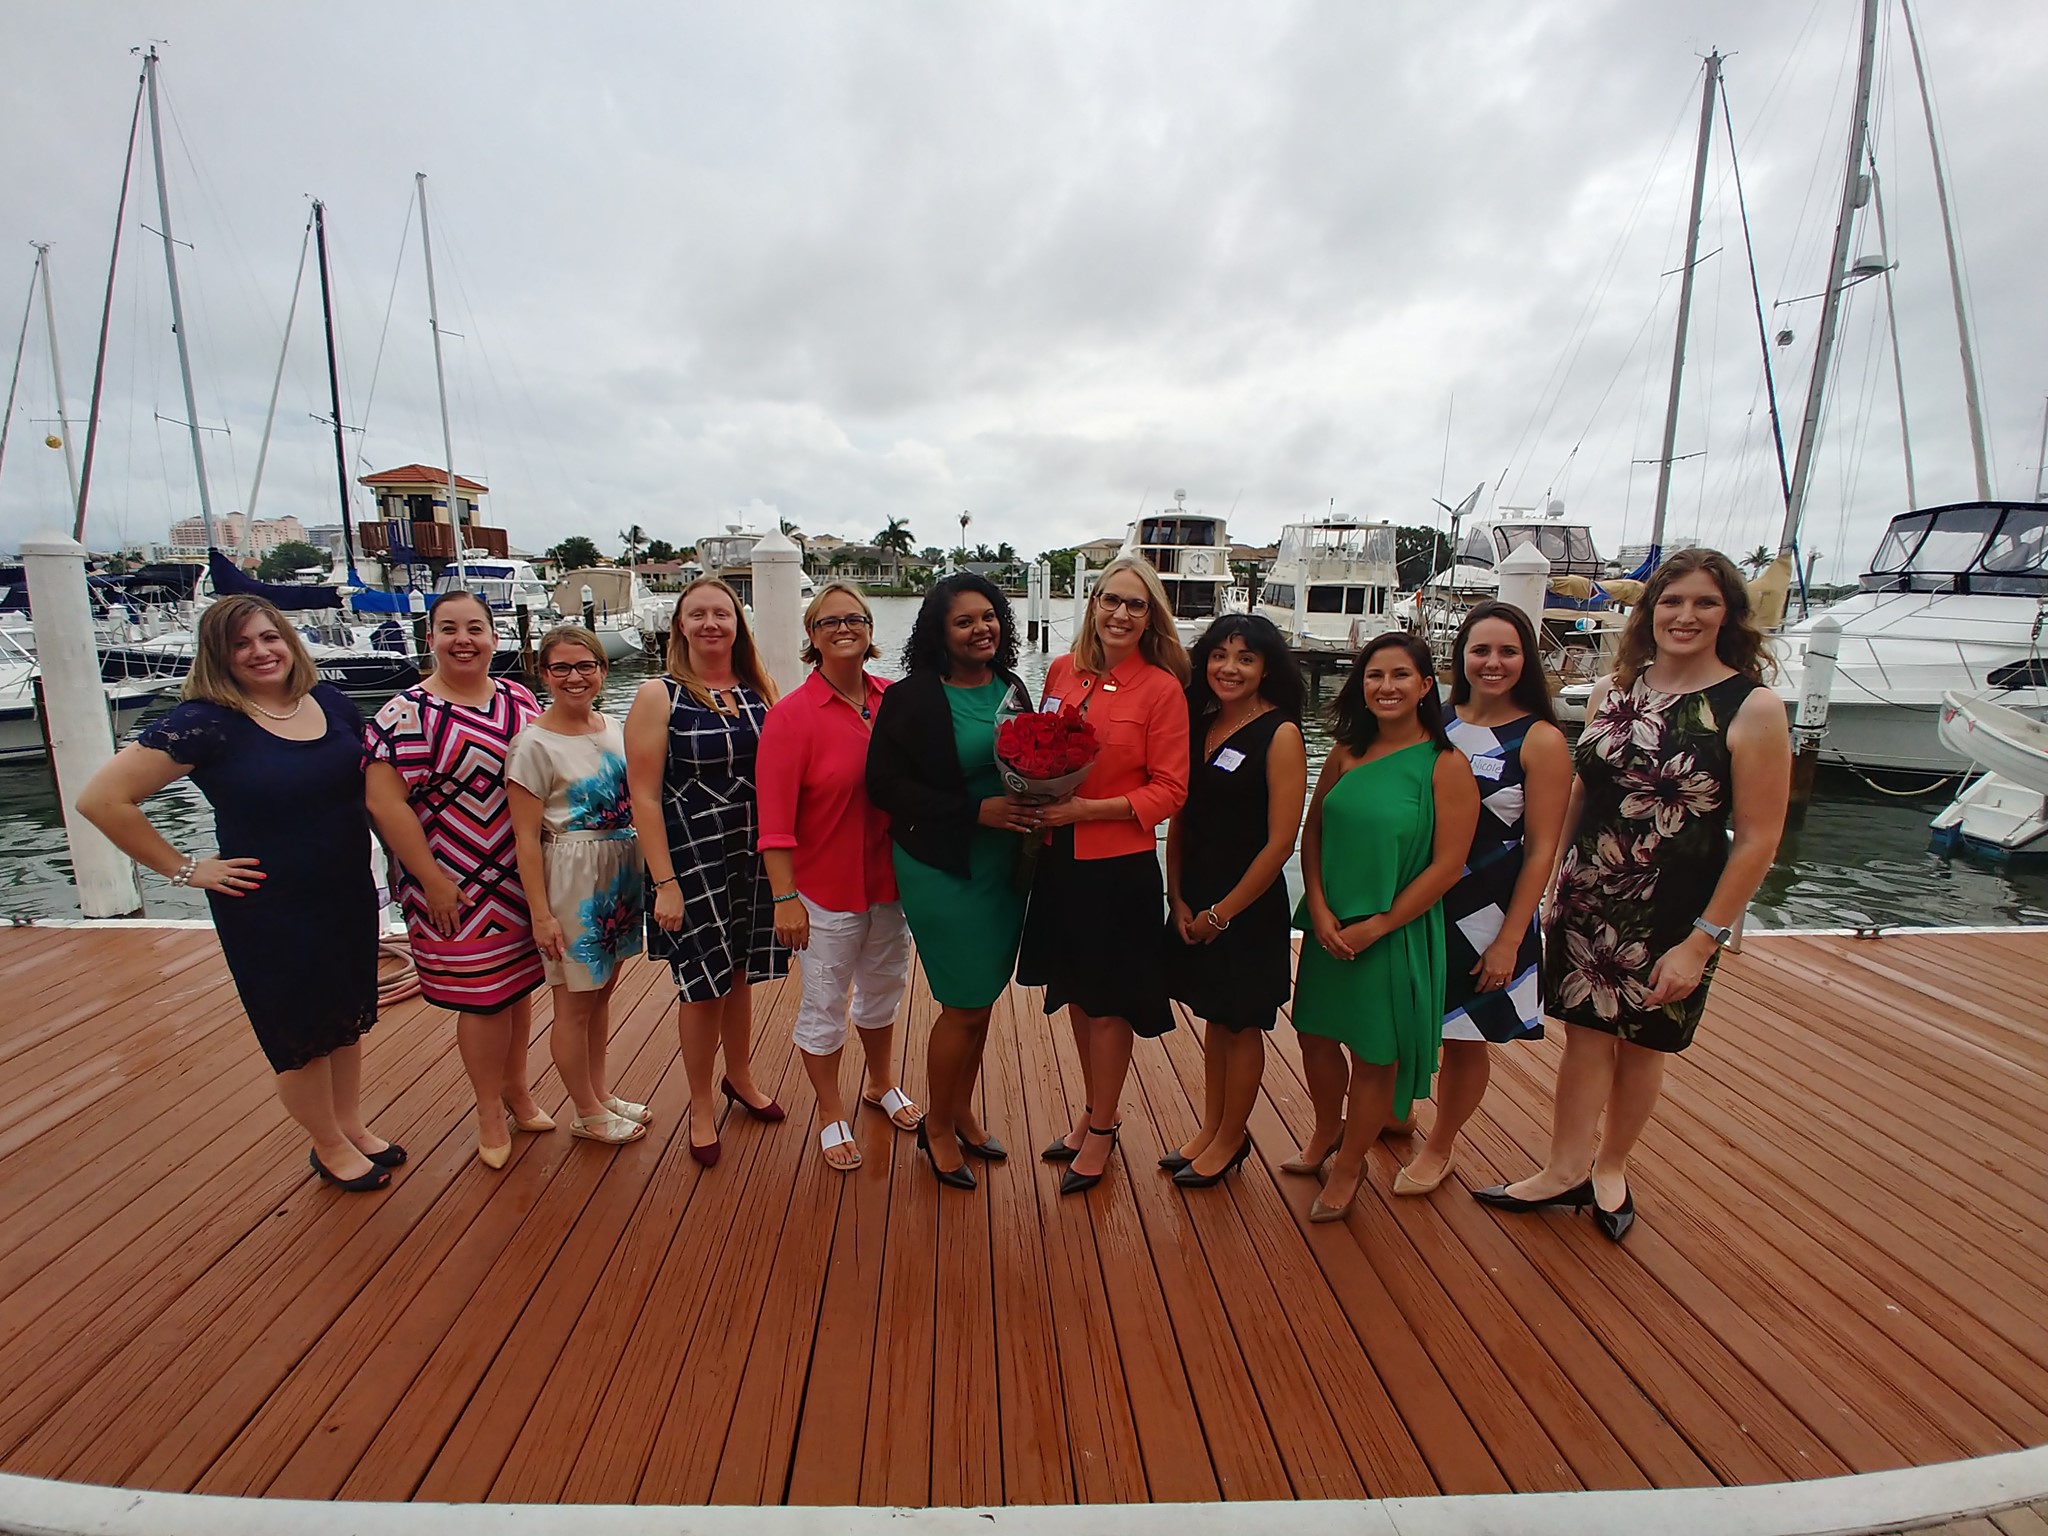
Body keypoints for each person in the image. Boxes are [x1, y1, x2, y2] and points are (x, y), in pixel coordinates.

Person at [1474, 549, 1790, 1240]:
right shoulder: (1613, 691)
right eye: (1672, 601)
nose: (1685, 616)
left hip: (1677, 907)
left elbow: (1760, 838)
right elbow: (1583, 792)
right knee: (1585, 1038)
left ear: (1727, 614)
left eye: (1704, 602)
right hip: (1590, 893)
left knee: (1644, 1044)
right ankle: (1562, 1167)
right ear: (1649, 612)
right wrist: (1545, 876)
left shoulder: (1752, 706)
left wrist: (1704, 939)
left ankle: (1610, 1167)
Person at [78, 596, 399, 1192]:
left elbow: (373, 791)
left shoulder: (328, 701)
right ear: (219, 656)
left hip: (345, 890)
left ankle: (350, 1124)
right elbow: (101, 800)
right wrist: (184, 869)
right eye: (242, 644)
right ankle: (326, 1145)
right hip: (269, 905)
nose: (261, 652)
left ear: (290, 640)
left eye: (269, 637)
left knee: (345, 1018)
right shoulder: (206, 721)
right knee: (298, 1032)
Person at [1289, 632, 1478, 1223]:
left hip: (1394, 933)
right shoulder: (1346, 751)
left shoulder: (1446, 765)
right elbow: (1312, 832)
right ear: (1361, 685)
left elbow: (1449, 866)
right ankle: (1327, 1131)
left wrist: (1381, 925)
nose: (1386, 687)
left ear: (1427, 687)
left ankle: (1351, 1164)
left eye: (1401, 676)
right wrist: (1316, 906)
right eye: (1374, 675)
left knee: (1375, 1055)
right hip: (1328, 927)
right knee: (1315, 1037)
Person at [1020, 557, 1191, 1196]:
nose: (1121, 614)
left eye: (1136, 605)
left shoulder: (1161, 689)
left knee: (1111, 1000)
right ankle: (1098, 1112)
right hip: (1058, 862)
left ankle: (1101, 1129)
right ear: (1094, 603)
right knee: (1076, 991)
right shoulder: (1065, 671)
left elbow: (1171, 789)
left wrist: (1086, 809)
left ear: (1152, 618)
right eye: (1111, 600)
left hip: (1117, 868)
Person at [367, 589, 548, 1170]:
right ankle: (487, 1110)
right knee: (483, 1000)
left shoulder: (519, 699)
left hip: (521, 876)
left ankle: (517, 1092)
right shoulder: (407, 714)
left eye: (475, 628)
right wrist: (431, 879)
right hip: (455, 880)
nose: (463, 639)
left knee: (517, 992)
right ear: (430, 639)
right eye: (449, 629)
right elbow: (385, 802)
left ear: (496, 637)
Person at [867, 574, 1037, 1190]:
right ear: (940, 632)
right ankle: (936, 1129)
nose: (980, 628)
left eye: (988, 616)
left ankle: (960, 1109)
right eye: (964, 621)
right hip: (942, 863)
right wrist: (974, 811)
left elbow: (1035, 758)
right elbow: (885, 787)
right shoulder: (911, 698)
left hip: (1004, 862)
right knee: (963, 1002)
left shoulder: (1012, 687)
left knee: (981, 998)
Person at [1395, 601, 1570, 1196]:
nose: (1493, 663)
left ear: (1527, 659)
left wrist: (1511, 939)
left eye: (1508, 651)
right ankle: (1399, 1109)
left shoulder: (1539, 739)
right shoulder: (1431, 721)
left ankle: (1441, 1144)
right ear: (1460, 656)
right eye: (1481, 650)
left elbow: (1542, 848)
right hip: (1422, 900)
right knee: (1410, 1014)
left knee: (1464, 1034)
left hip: (1489, 911)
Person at [626, 576, 787, 1168]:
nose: (712, 624)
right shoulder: (658, 694)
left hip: (750, 851)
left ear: (737, 624)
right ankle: (698, 1102)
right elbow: (643, 796)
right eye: (699, 614)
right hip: (692, 857)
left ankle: (739, 1078)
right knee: (701, 985)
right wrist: (664, 882)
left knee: (739, 971)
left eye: (722, 613)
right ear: (681, 626)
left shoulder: (758, 691)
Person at [758, 583, 918, 1174]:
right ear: (811, 636)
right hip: (823, 890)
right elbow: (773, 824)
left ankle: (880, 1083)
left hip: (890, 883)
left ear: (871, 630)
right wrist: (785, 898)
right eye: (829, 621)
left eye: (854, 618)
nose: (843, 628)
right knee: (825, 1003)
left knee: (883, 990)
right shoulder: (791, 717)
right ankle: (830, 1112)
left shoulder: (893, 700)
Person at [1159, 615, 1307, 1187]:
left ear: (1267, 667)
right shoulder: (1200, 724)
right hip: (1196, 896)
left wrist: (1224, 913)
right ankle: (1212, 1127)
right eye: (1219, 655)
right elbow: (1181, 817)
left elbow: (1280, 843)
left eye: (1245, 658)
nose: (1229, 668)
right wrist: (1176, 897)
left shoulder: (1282, 733)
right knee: (1215, 1021)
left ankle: (1231, 1137)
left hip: (1245, 904)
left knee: (1241, 1024)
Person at [506, 624, 648, 1148]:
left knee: (602, 992)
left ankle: (599, 1092)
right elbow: (525, 839)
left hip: (618, 866)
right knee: (574, 1001)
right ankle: (585, 1111)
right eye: (561, 667)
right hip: (570, 874)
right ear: (543, 674)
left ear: (602, 670)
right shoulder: (532, 744)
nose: (574, 677)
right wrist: (540, 913)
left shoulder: (612, 727)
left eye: (585, 665)